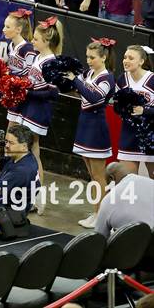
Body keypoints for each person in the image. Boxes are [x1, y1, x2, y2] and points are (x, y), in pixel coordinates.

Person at [12, 16, 63, 206]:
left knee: (32, 152)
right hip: (30, 107)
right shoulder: (40, 57)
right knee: (31, 150)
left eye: (36, 39)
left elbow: (52, 93)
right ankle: (31, 193)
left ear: (47, 41)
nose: (32, 41)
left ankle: (37, 194)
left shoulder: (51, 62)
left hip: (39, 111)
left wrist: (27, 92)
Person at [67, 38, 115, 228]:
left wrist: (75, 81)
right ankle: (96, 211)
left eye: (92, 57)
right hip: (85, 123)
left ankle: (101, 216)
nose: (88, 60)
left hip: (96, 127)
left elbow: (94, 97)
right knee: (91, 175)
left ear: (103, 57)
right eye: (87, 57)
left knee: (98, 176)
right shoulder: (90, 73)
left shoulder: (107, 78)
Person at [116, 45, 154, 178]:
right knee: (126, 181)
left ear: (141, 61)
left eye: (131, 58)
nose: (126, 60)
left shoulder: (152, 79)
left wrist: (145, 110)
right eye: (125, 57)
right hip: (129, 135)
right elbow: (117, 105)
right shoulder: (122, 79)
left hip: (150, 136)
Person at [95, 162, 154, 238]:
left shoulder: (108, 200)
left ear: (112, 178)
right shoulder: (151, 183)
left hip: (133, 245)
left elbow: (99, 238)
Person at [2, 9, 35, 123]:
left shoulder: (28, 49)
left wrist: (11, 75)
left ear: (18, 30)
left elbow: (31, 74)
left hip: (24, 95)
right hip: (14, 93)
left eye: (7, 27)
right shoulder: (10, 46)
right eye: (4, 26)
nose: (3, 30)